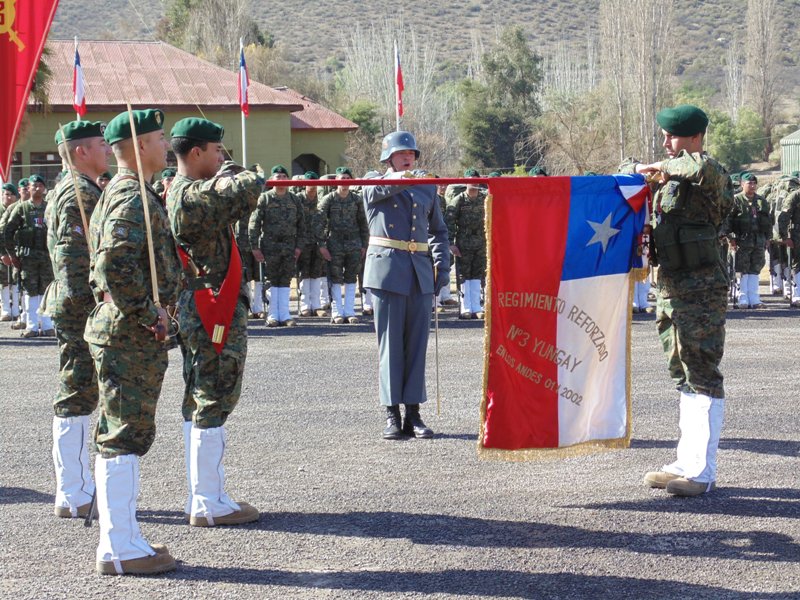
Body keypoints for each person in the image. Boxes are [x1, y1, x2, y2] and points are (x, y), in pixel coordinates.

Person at [84, 108, 181, 574]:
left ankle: (123, 538)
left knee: (122, 434)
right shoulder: (128, 196)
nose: (167, 146)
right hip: (128, 334)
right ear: (141, 145)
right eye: (160, 138)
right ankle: (119, 547)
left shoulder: (131, 192)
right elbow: (114, 266)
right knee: (123, 436)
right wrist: (150, 315)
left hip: (125, 331)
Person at [622, 104, 733, 497]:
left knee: (702, 373)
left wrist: (661, 166)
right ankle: (685, 462)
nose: (667, 143)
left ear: (695, 137)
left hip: (701, 292)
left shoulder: (708, 173)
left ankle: (702, 472)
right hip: (670, 288)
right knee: (682, 375)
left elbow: (699, 168)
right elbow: (626, 178)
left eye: (673, 137)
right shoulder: (669, 179)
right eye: (665, 137)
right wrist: (639, 171)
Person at [166, 117, 262, 528]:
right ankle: (208, 501)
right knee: (213, 396)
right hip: (211, 305)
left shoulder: (190, 190)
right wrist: (238, 173)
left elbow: (239, 196)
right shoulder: (189, 195)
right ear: (196, 153)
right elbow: (248, 186)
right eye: (217, 151)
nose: (223, 157)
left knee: (203, 396)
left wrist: (229, 172)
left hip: (206, 300)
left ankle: (204, 494)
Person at [362, 131, 449, 439]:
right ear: (389, 158)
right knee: (390, 347)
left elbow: (438, 231)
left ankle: (413, 413)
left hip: (420, 273)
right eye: (401, 153)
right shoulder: (373, 181)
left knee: (416, 347)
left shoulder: (426, 188)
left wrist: (442, 266)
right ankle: (391, 413)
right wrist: (409, 176)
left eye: (411, 153)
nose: (408, 157)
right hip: (387, 270)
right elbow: (381, 189)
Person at [42, 120, 109, 518]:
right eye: (101, 145)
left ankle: (74, 489)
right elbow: (72, 263)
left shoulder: (76, 190)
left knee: (78, 394)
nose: (107, 152)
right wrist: (92, 309)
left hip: (76, 306)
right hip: (79, 308)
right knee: (76, 395)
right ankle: (73, 491)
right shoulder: (78, 195)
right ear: (81, 151)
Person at [248, 165, 305, 327]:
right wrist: (255, 247)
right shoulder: (265, 198)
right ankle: (273, 315)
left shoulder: (294, 200)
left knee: (286, 280)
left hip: (289, 245)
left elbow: (302, 226)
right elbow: (254, 224)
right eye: (277, 177)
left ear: (288, 180)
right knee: (271, 280)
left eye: (283, 176)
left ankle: (285, 315)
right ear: (272, 181)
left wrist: (299, 246)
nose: (280, 180)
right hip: (270, 245)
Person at [3, 174, 55, 337]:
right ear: (29, 189)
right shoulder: (21, 208)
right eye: (34, 186)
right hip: (28, 257)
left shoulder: (49, 207)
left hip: (46, 257)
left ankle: (47, 325)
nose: (37, 188)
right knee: (29, 290)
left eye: (40, 185)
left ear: (44, 188)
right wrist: (11, 254)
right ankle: (32, 326)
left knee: (46, 290)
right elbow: (7, 231)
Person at [316, 166, 369, 324]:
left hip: (354, 243)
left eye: (348, 179)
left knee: (351, 277)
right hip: (335, 243)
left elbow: (363, 223)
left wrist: (364, 244)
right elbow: (318, 221)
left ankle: (350, 311)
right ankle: (337, 312)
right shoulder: (329, 199)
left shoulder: (357, 199)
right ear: (336, 182)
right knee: (336, 278)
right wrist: (321, 245)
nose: (345, 182)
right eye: (342, 179)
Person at [722, 172, 772, 309]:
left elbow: (768, 221)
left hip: (758, 240)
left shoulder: (762, 201)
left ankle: (754, 298)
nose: (752, 186)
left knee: (756, 268)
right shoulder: (736, 200)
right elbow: (727, 221)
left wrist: (768, 238)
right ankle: (742, 296)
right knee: (741, 268)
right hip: (741, 240)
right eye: (749, 183)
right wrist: (730, 238)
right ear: (742, 184)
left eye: (754, 183)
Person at [445, 168, 487, 319]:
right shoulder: (459, 200)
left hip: (481, 242)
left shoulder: (484, 198)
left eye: (476, 180)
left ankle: (476, 306)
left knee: (477, 274)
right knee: (463, 274)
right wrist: (450, 243)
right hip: (463, 242)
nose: (473, 183)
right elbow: (449, 222)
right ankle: (465, 307)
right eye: (470, 180)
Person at [297, 171, 327, 317]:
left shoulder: (321, 199)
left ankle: (316, 305)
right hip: (303, 240)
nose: (312, 185)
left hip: (318, 240)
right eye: (309, 181)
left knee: (316, 272)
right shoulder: (298, 199)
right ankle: (305, 305)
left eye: (314, 181)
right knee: (304, 273)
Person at [0, 183, 21, 322]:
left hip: (16, 250)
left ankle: (16, 309)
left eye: (10, 195)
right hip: (2, 251)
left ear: (15, 196)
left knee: (15, 280)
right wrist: (2, 253)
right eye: (5, 194)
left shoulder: (18, 209)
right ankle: (5, 309)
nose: (7, 197)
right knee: (3, 281)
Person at [778, 186, 800, 307]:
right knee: (798, 264)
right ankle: (797, 294)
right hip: (797, 234)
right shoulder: (795, 196)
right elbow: (784, 217)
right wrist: (785, 237)